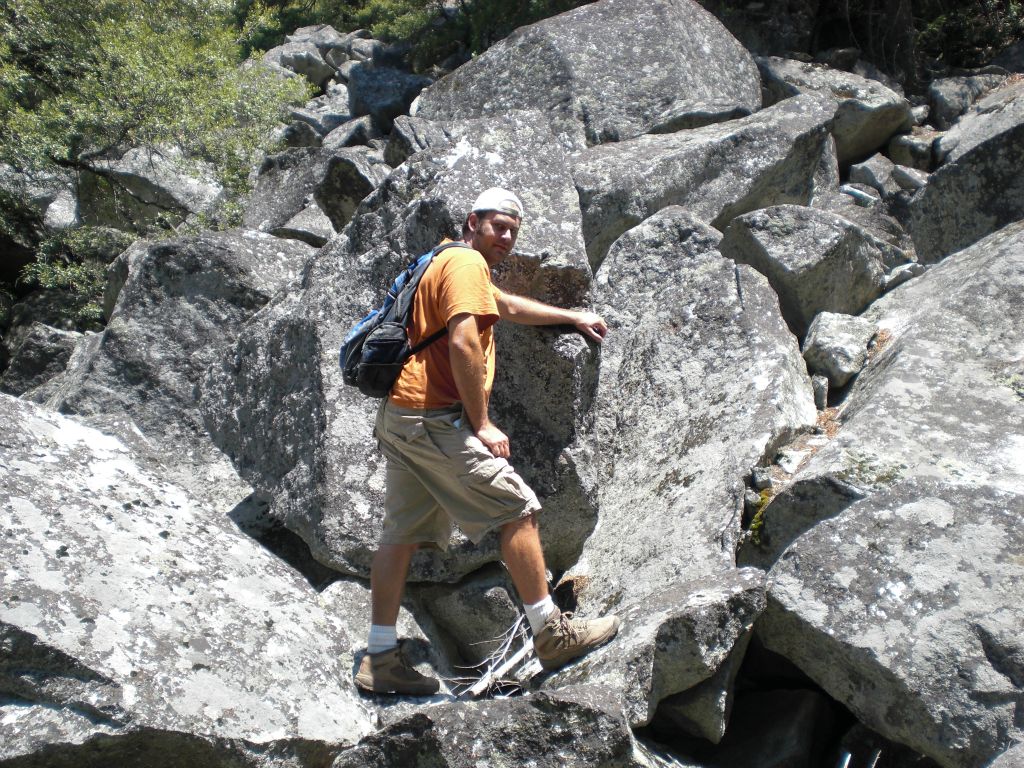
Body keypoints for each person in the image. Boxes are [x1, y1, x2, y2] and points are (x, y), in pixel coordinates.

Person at [355, 187, 620, 695]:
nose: (507, 237)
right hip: (433, 419)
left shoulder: (441, 260)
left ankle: (381, 656)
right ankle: (551, 633)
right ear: (472, 221)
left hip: (401, 416)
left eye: (514, 231)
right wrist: (481, 423)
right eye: (499, 226)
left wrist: (571, 316)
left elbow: (505, 307)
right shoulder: (466, 264)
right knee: (517, 507)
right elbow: (462, 341)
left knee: (400, 535)